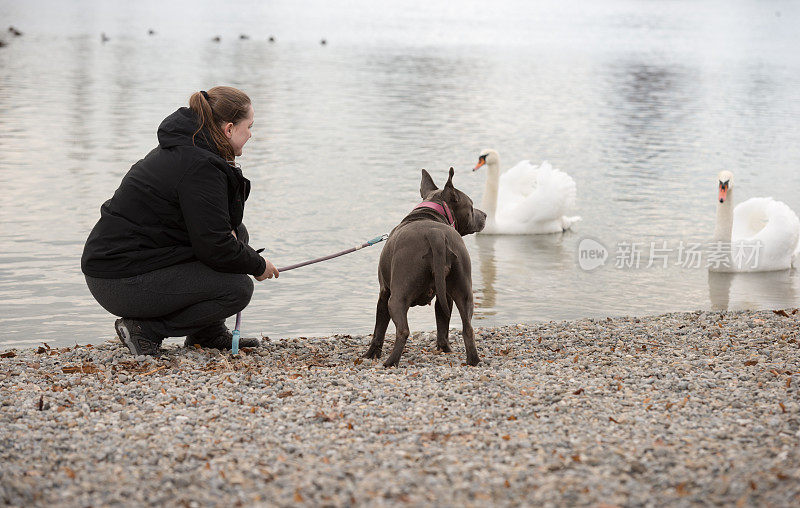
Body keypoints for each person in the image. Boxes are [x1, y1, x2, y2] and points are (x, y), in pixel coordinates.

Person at [81, 86, 279, 356]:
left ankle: (207, 332)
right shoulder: (200, 165)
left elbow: (218, 235)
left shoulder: (192, 151)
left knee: (238, 233)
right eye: (249, 127)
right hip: (119, 279)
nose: (251, 135)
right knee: (237, 288)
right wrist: (258, 265)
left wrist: (240, 251)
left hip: (129, 265)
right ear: (229, 129)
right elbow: (215, 246)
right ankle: (144, 330)